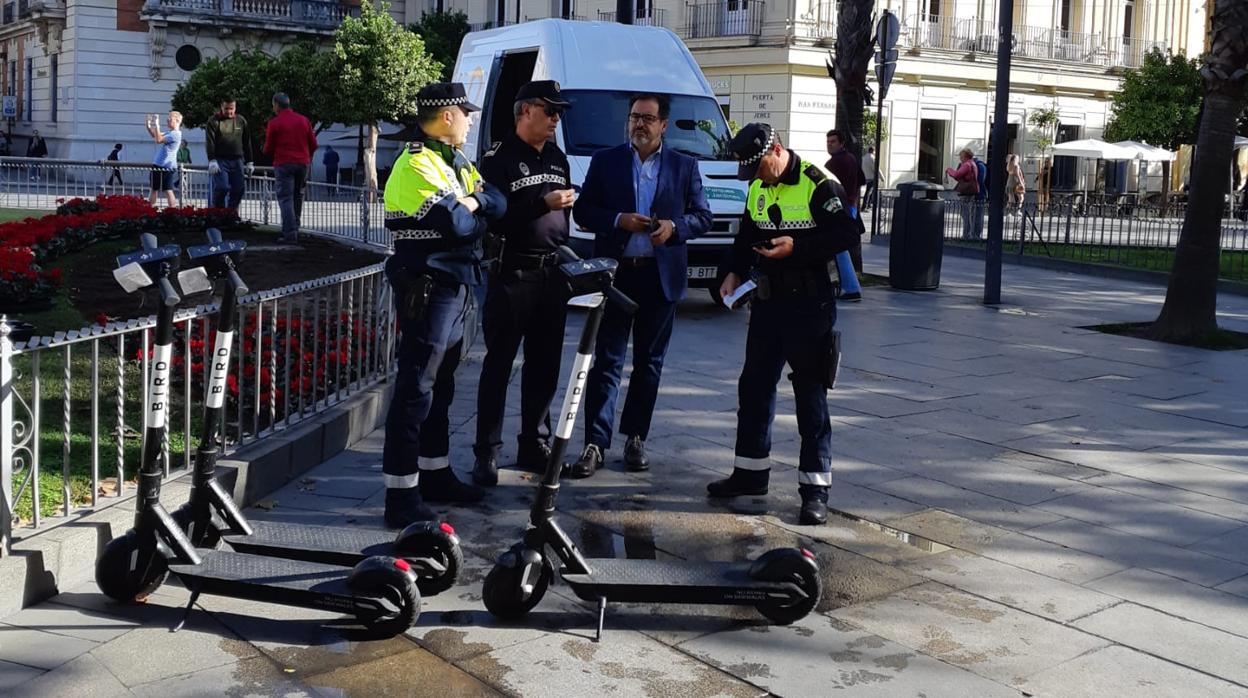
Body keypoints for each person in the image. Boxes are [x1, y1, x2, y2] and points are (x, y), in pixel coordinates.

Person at [714, 123, 859, 525]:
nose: (755, 177)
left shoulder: (817, 182)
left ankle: (815, 490)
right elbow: (746, 236)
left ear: (776, 150)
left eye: (758, 166)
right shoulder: (759, 185)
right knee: (754, 387)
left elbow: (849, 231)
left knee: (810, 395)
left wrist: (798, 248)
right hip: (767, 303)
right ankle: (749, 473)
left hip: (810, 304)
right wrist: (731, 271)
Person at [380, 82, 507, 527]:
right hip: (428, 287)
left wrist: (474, 202)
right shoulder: (417, 165)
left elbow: (499, 202)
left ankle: (435, 473)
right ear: (448, 115)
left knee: (442, 387)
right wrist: (474, 207)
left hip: (453, 286)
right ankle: (400, 494)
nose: (471, 120)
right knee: (415, 388)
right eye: (466, 113)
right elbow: (459, 225)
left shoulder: (452, 162)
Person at [567, 92, 712, 478]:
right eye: (634, 117)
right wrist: (617, 220)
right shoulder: (606, 160)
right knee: (607, 362)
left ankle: (635, 438)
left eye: (647, 118)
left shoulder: (684, 166)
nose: (639, 124)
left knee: (649, 364)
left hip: (658, 276)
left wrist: (674, 228)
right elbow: (583, 210)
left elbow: (702, 217)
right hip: (617, 274)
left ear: (664, 124)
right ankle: (595, 443)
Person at [471, 80, 576, 486]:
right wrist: (541, 204)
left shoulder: (557, 156)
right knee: (498, 365)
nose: (556, 119)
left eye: (559, 112)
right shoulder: (497, 159)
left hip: (552, 274)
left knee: (545, 365)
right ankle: (487, 453)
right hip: (512, 271)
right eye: (550, 111)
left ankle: (535, 443)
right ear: (525, 110)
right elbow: (493, 218)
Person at [264, 92, 317, 243]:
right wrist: (306, 156)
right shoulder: (304, 120)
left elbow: (268, 148)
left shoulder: (274, 123)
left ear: (276, 105)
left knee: (285, 198)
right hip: (302, 163)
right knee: (298, 196)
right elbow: (313, 144)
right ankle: (296, 227)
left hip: (284, 163)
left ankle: (289, 233)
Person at [824, 130, 863, 302]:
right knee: (839, 248)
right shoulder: (851, 159)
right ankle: (847, 286)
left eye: (833, 141)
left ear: (841, 143)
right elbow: (861, 180)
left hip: (840, 208)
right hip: (850, 206)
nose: (829, 144)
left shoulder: (834, 163)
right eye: (828, 141)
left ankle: (851, 288)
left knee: (839, 249)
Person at [206, 97, 255, 211]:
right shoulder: (213, 121)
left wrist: (250, 161)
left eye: (231, 108)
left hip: (237, 160)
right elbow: (210, 142)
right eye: (226, 108)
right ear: (221, 107)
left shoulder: (241, 120)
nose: (229, 111)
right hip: (220, 160)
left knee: (239, 188)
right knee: (222, 187)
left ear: (235, 107)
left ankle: (231, 212)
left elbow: (247, 142)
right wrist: (212, 160)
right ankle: (218, 211)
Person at [146, 111, 182, 208]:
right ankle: (151, 210)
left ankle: (172, 211)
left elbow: (158, 140)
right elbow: (155, 135)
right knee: (154, 188)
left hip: (166, 167)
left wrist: (157, 124)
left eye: (170, 119)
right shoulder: (170, 133)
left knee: (168, 189)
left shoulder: (175, 134)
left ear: (177, 121)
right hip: (159, 165)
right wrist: (149, 124)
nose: (167, 120)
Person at [946, 148, 979, 240]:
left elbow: (956, 175)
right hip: (972, 190)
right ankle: (970, 234)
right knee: (969, 213)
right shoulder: (973, 164)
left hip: (966, 191)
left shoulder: (967, 165)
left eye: (961, 156)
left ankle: (966, 235)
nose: (960, 158)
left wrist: (949, 170)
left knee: (965, 213)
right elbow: (962, 177)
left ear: (965, 156)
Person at [972, 153, 988, 239]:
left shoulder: (979, 166)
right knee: (978, 215)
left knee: (978, 215)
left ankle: (976, 234)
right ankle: (976, 234)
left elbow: (980, 181)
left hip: (979, 194)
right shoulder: (981, 165)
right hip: (981, 193)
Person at [861, 146, 877, 212]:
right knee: (869, 192)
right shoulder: (872, 158)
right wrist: (882, 177)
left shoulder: (863, 157)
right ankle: (865, 207)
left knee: (869, 191)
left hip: (865, 176)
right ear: (873, 151)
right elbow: (876, 168)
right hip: (872, 177)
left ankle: (869, 205)